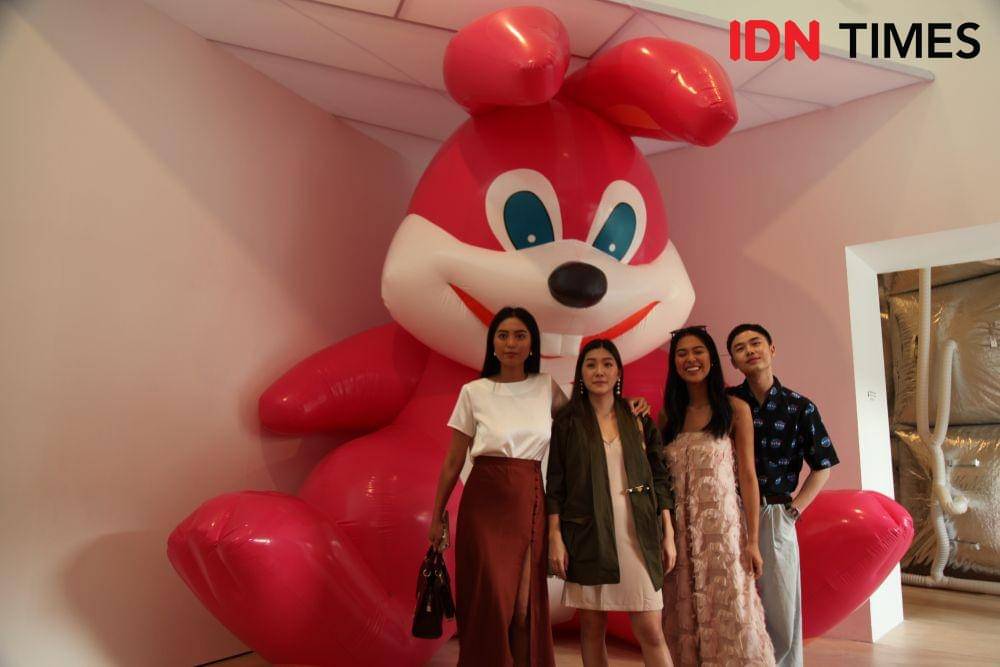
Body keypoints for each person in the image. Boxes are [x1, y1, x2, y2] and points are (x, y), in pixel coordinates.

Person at [427, 307, 649, 666]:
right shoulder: (473, 392)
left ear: (532, 344)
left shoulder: (545, 386)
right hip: (483, 505)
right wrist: (438, 515)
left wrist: (626, 405)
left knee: (523, 605)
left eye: (520, 335)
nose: (511, 343)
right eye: (503, 335)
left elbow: (585, 418)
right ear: (493, 343)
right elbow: (453, 461)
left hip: (529, 500)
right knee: (490, 599)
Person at [546, 339, 676, 667]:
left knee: (651, 631)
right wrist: (555, 535)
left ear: (618, 372)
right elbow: (556, 483)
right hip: (588, 534)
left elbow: (660, 477)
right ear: (581, 372)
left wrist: (669, 533)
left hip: (639, 533)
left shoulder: (637, 417)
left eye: (607, 364)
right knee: (591, 628)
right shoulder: (568, 421)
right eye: (591, 364)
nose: (599, 371)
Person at [659, 326, 775, 667]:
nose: (690, 359)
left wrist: (752, 541)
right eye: (682, 353)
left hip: (723, 534)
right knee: (684, 616)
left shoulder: (735, 409)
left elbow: (748, 477)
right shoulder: (668, 416)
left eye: (698, 351)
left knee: (733, 612)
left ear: (711, 357)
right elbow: (658, 479)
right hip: (679, 537)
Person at [726, 323, 839, 667]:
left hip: (775, 513)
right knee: (732, 599)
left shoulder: (800, 407)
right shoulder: (726, 403)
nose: (750, 351)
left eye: (755, 343)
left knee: (782, 606)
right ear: (733, 361)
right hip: (729, 511)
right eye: (740, 348)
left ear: (772, 349)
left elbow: (822, 466)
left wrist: (794, 510)